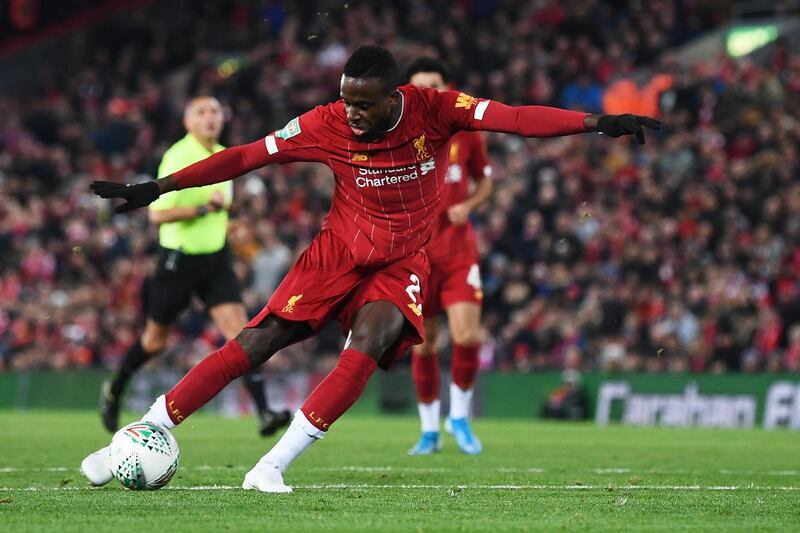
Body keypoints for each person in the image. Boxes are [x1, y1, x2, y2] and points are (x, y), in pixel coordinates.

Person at [82, 45, 659, 493]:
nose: (351, 113)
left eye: (363, 104)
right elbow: (246, 156)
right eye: (346, 100)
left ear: (393, 98)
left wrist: (596, 123)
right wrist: (157, 187)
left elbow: (513, 117)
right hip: (336, 253)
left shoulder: (436, 109)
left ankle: (270, 467)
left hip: (401, 260)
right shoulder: (325, 122)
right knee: (258, 343)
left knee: (372, 338)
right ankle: (140, 434)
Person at [99, 96, 290, 437]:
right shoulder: (178, 156)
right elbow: (158, 213)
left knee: (242, 334)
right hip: (179, 260)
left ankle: (264, 412)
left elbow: (221, 210)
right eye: (202, 112)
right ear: (188, 121)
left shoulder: (225, 155)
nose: (210, 117)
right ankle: (114, 390)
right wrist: (203, 210)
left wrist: (227, 225)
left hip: (216, 258)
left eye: (216, 110)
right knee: (155, 342)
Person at [405, 58, 493, 455]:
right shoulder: (397, 134)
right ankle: (429, 430)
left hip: (458, 250)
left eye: (435, 85)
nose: (429, 92)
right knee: (423, 345)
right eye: (420, 86)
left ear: (445, 86)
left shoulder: (464, 130)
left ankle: (458, 416)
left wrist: (470, 204)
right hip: (417, 254)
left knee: (467, 335)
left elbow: (486, 181)